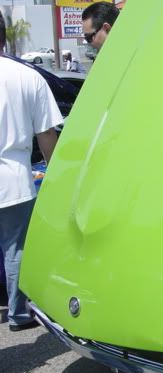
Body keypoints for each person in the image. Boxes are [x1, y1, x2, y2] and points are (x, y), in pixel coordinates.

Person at [1, 12, 63, 331]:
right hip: (14, 180)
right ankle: (19, 313)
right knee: (16, 250)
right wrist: (56, 175)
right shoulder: (28, 76)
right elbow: (47, 133)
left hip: (15, 180)